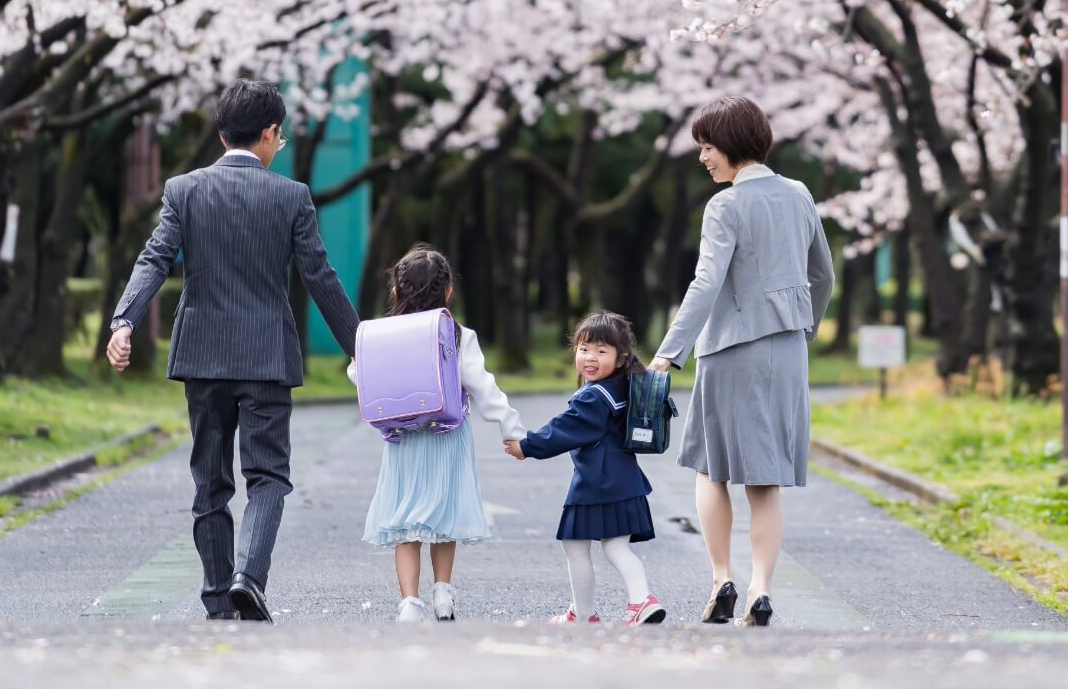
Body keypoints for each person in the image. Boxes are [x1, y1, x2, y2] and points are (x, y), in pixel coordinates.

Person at [104, 82, 364, 621]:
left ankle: (219, 600)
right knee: (268, 475)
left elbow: (154, 258)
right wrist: (362, 347)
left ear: (222, 134)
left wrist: (124, 319)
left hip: (203, 358)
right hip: (267, 358)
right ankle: (249, 576)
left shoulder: (184, 190)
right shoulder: (291, 196)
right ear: (269, 134)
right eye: (281, 135)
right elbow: (321, 278)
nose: (281, 143)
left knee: (211, 481)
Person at [650, 95, 834, 627]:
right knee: (766, 479)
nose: (704, 157)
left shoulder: (725, 206)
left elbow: (706, 283)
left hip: (730, 350)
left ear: (730, 143)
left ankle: (721, 578)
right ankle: (760, 590)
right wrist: (802, 328)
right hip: (788, 351)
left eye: (707, 146)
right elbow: (824, 276)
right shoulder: (799, 194)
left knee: (712, 470)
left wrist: (669, 353)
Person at [350, 246, 512, 622]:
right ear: (448, 291)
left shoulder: (381, 333)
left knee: (404, 519)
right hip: (447, 435)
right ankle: (443, 592)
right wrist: (510, 429)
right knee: (445, 515)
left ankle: (409, 601)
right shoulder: (458, 334)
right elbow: (482, 386)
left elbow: (359, 376)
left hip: (402, 437)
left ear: (396, 290)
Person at [516, 311, 672, 624]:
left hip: (597, 484)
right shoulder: (620, 387)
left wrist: (527, 445)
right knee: (616, 547)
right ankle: (639, 600)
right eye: (584, 349)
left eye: (602, 351)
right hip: (625, 482)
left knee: (576, 544)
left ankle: (588, 613)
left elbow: (565, 429)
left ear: (620, 358)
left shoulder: (594, 397)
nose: (590, 357)